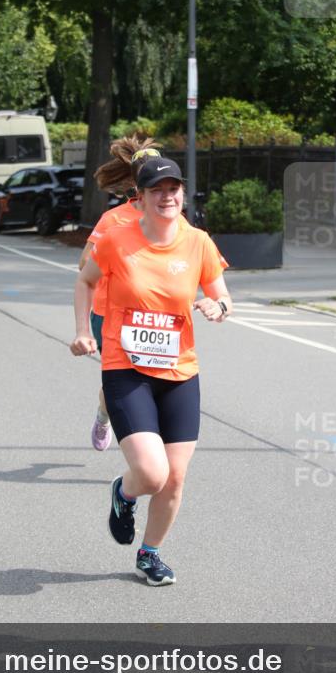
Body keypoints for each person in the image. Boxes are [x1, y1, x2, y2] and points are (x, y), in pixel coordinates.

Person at [71, 158, 232, 586]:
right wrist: (82, 331)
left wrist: (218, 307)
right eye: (157, 190)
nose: (168, 196)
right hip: (127, 368)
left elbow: (223, 295)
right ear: (139, 197)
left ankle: (150, 553)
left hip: (179, 371)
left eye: (174, 188)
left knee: (175, 478)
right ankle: (124, 495)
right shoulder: (115, 239)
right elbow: (85, 281)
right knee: (152, 473)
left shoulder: (198, 242)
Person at [78, 136, 162, 450]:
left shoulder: (170, 216)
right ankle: (105, 416)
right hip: (110, 313)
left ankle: (146, 442)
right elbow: (85, 262)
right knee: (122, 379)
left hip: (156, 315)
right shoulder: (114, 219)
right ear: (136, 182)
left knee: (153, 379)